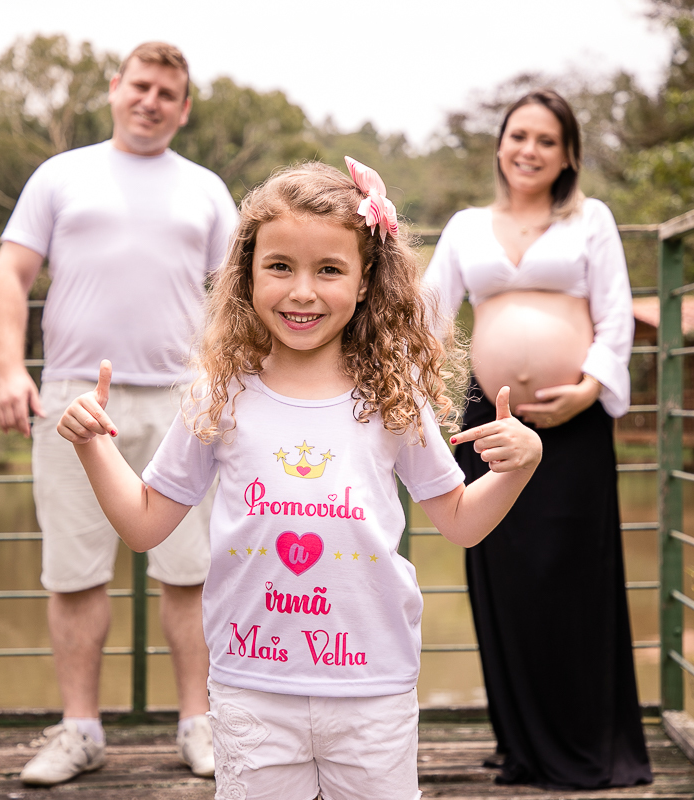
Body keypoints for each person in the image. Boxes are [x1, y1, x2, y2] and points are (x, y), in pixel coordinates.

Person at [56, 158, 543, 799]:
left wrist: (520, 466)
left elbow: (462, 522)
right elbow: (146, 526)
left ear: (366, 281)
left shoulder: (392, 399)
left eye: (330, 270)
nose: (303, 291)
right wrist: (94, 446)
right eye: (280, 266)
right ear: (247, 274)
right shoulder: (219, 396)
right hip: (251, 688)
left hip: (373, 687)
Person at [0, 42, 238, 784]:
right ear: (115, 89)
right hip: (73, 400)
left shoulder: (206, 190)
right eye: (140, 86)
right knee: (73, 572)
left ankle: (200, 725)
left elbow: (234, 299)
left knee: (189, 572)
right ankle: (81, 731)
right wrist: (7, 370)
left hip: (187, 402)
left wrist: (232, 388)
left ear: (184, 108)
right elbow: (10, 275)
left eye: (168, 92)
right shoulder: (61, 176)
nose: (151, 101)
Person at [423, 88, 652, 788]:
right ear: (500, 144)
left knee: (573, 577)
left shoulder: (592, 221)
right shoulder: (466, 226)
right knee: (507, 574)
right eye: (518, 135)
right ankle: (522, 741)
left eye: (546, 140)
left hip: (574, 428)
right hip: (488, 424)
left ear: (568, 155)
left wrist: (586, 388)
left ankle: (584, 741)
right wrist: (420, 402)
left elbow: (615, 318)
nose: (529, 149)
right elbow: (431, 316)